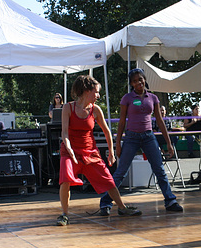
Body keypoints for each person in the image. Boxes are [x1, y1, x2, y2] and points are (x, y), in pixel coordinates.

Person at [57, 75, 142, 226]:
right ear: (86, 91)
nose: (98, 95)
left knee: (109, 180)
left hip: (90, 151)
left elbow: (107, 131)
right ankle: (64, 215)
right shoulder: (68, 108)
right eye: (96, 91)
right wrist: (68, 146)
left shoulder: (95, 110)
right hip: (70, 151)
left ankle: (122, 208)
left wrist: (111, 151)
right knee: (65, 180)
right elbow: (64, 132)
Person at [99, 68, 183, 214]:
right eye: (135, 81)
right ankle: (105, 203)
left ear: (144, 79)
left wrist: (168, 143)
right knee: (121, 172)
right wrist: (117, 144)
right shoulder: (127, 98)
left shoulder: (153, 98)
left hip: (149, 137)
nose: (139, 83)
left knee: (159, 170)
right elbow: (121, 123)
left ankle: (170, 201)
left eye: (140, 79)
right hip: (131, 138)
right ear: (131, 84)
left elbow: (160, 121)